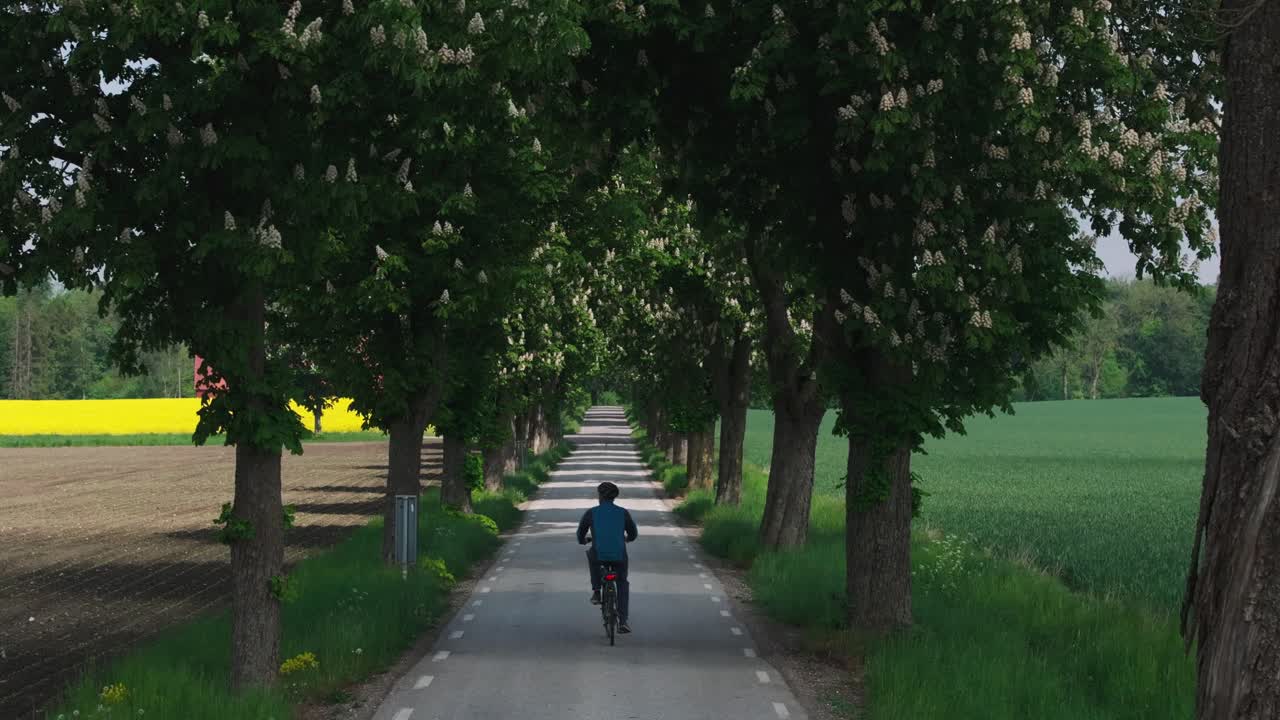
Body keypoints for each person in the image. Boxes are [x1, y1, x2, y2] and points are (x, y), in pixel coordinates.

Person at [577, 481, 638, 633]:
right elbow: (633, 533)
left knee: (592, 555)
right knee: (622, 582)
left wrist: (583, 541)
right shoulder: (623, 513)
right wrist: (628, 539)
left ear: (599, 496)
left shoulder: (591, 513)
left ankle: (597, 592)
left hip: (599, 555)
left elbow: (580, 534)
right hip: (619, 555)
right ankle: (623, 621)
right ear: (614, 497)